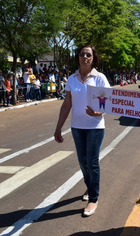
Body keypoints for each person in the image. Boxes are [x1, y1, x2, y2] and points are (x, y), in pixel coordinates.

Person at [54, 45, 111, 217]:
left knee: (92, 162)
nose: (85, 57)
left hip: (95, 127)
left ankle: (93, 198)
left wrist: (98, 112)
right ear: (77, 57)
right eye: (82, 54)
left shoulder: (100, 78)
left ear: (93, 58)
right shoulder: (72, 78)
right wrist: (58, 127)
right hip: (77, 127)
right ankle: (90, 185)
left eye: (88, 55)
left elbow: (107, 102)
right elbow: (66, 105)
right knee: (82, 161)